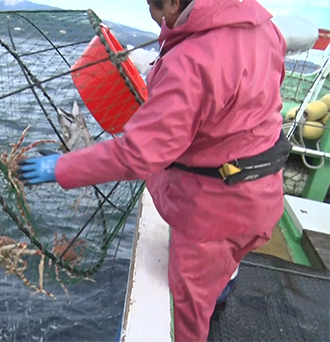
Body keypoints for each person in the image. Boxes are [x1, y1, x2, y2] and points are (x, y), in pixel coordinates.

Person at [17, 0, 289, 341]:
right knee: (227, 265)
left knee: (184, 317)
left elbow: (136, 155)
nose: (158, 20)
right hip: (264, 198)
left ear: (174, 2)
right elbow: (257, 88)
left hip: (215, 217)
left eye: (155, 9)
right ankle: (221, 285)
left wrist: (60, 167)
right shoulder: (262, 26)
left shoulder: (191, 61)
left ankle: (211, 295)